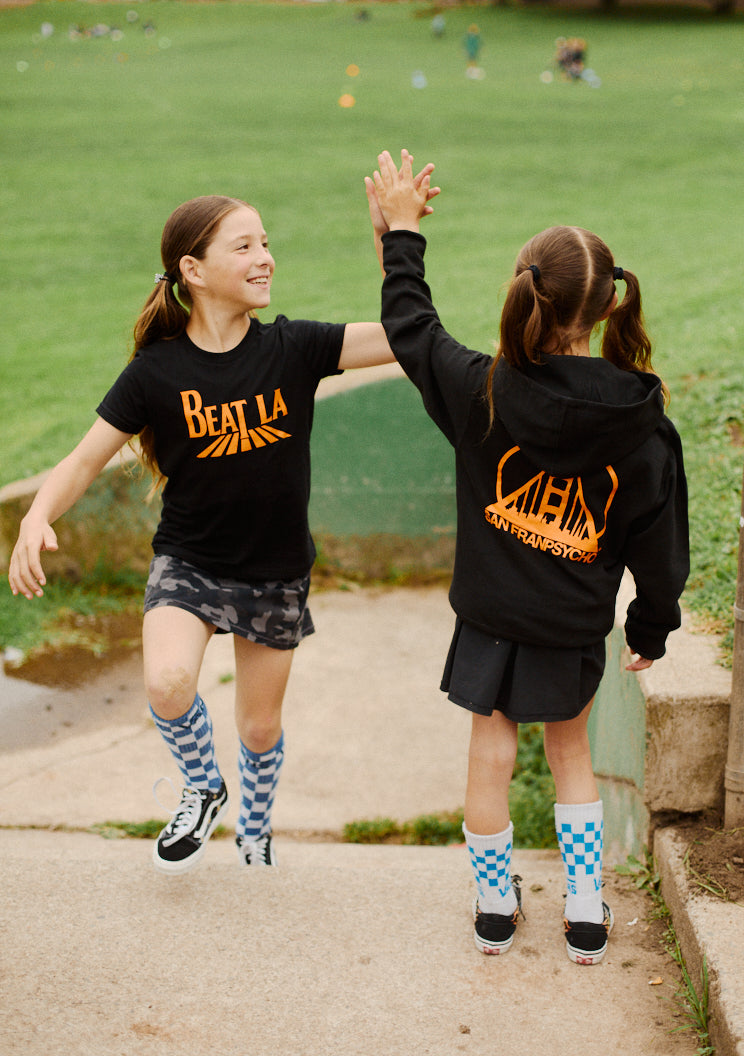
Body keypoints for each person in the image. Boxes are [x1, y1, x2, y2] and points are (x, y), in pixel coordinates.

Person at [8, 177, 438, 874]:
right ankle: (204, 787)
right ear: (193, 270)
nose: (265, 256)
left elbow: (406, 338)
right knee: (169, 683)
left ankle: (256, 831)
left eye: (266, 242)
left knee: (260, 726)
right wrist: (35, 514)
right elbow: (85, 458)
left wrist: (394, 241)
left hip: (274, 570)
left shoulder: (295, 348)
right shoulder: (156, 372)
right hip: (190, 562)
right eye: (245, 246)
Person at [365, 150, 689, 963]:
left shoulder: (481, 389)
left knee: (492, 751)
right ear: (611, 303)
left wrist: (399, 233)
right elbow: (662, 548)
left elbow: (411, 329)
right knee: (570, 751)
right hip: (572, 623)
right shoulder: (644, 431)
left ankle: (493, 911)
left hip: (488, 618)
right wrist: (651, 627)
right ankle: (585, 911)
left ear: (521, 290)